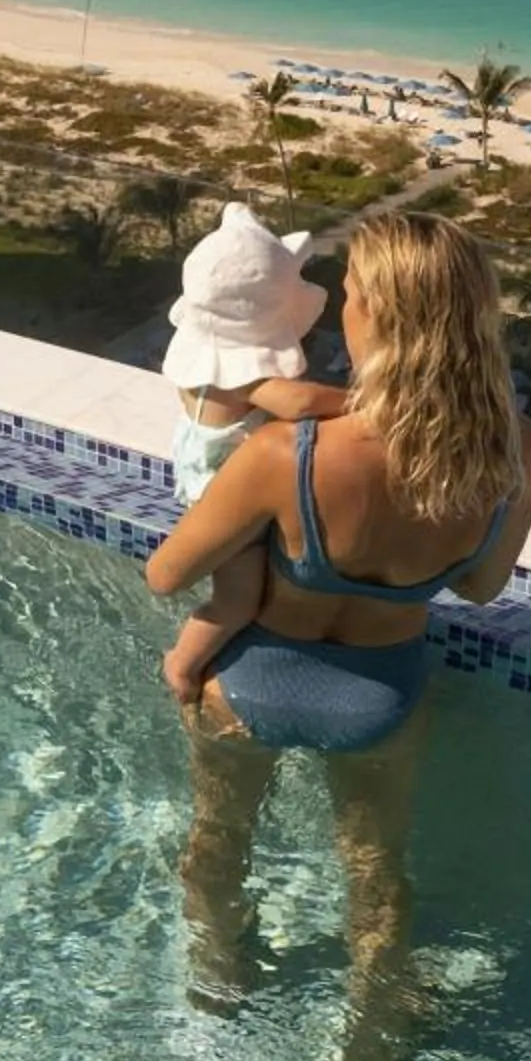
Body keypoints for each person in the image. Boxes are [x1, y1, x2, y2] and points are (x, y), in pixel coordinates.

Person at [145, 210, 531, 1056]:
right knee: (375, 872)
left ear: (380, 320)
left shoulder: (290, 451)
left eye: (353, 293)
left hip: (245, 685)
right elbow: (478, 585)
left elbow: (169, 572)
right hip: (380, 695)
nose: (341, 309)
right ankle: (377, 1029)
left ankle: (220, 982)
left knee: (218, 842)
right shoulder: (511, 451)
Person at [158, 204, 348, 706]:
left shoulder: (205, 360)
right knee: (237, 600)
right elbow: (301, 401)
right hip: (224, 495)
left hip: (208, 476)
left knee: (254, 583)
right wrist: (364, 404)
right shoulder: (246, 378)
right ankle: (182, 664)